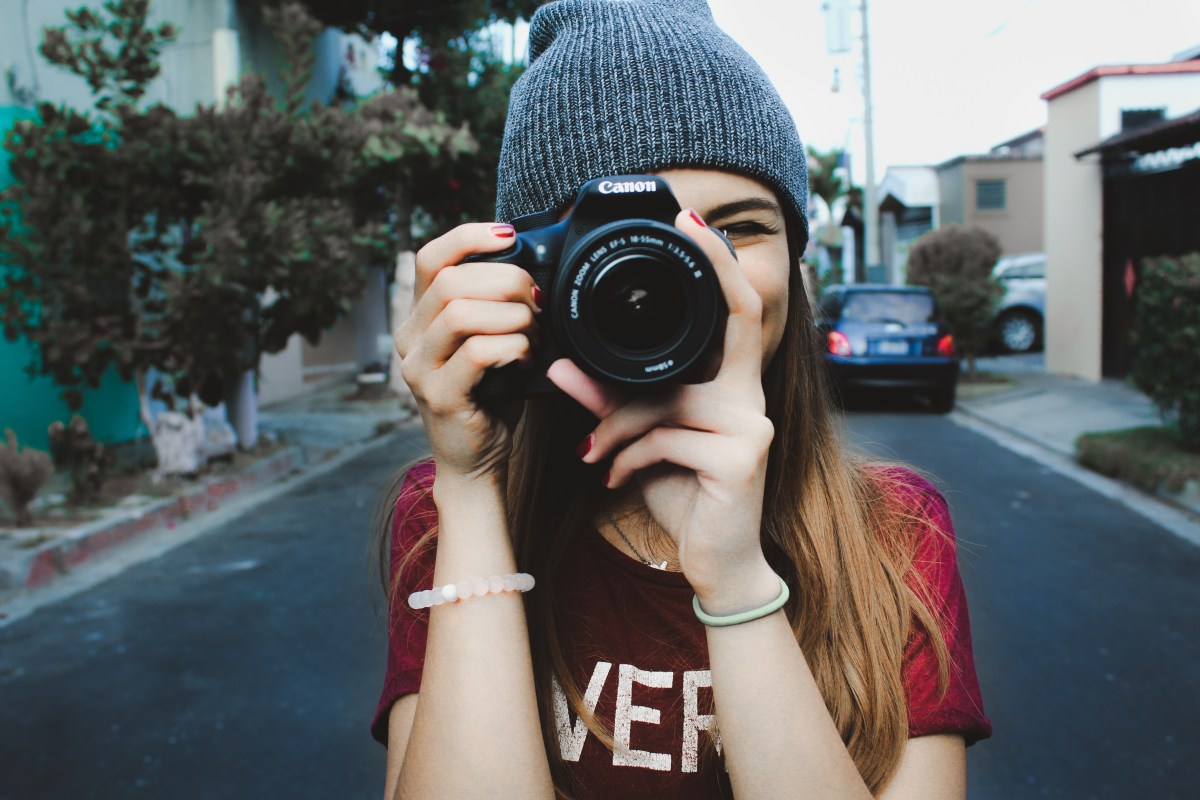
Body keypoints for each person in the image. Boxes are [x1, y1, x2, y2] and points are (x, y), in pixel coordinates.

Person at [371, 1, 991, 798]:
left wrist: (736, 581)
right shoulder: (448, 511)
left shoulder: (894, 531)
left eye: (739, 227)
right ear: (526, 273)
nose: (686, 267)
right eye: (622, 239)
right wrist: (470, 486)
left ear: (797, 265)